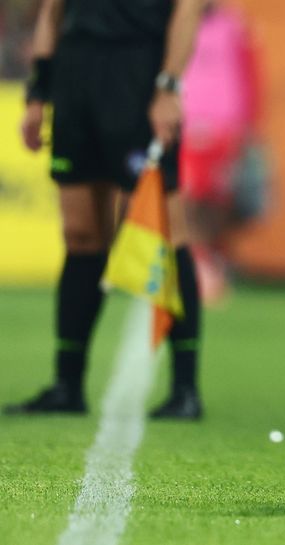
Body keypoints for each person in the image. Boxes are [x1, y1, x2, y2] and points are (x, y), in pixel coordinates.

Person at [5, 0, 208, 419]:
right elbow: (51, 12)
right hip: (75, 79)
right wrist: (38, 93)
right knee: (80, 234)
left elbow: (187, 11)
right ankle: (67, 385)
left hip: (138, 77)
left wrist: (168, 88)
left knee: (167, 232)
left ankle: (185, 389)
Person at [180, 1, 262, 305]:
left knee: (217, 200)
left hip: (224, 125)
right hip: (184, 122)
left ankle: (212, 259)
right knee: (190, 196)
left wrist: (250, 123)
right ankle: (200, 264)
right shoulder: (174, 22)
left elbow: (248, 73)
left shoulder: (233, 24)